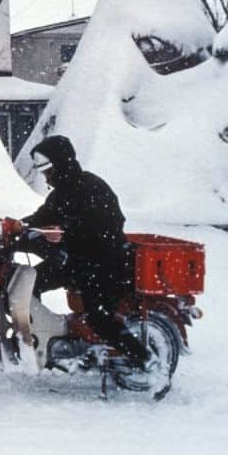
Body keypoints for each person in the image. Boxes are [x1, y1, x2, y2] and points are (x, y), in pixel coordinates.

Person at [10, 135, 150, 368]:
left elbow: (111, 223)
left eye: (49, 171)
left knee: (99, 319)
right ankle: (45, 338)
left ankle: (146, 361)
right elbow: (42, 218)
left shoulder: (92, 187)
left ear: (62, 164)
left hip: (105, 264)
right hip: (76, 262)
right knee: (29, 284)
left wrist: (66, 229)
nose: (46, 176)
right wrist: (17, 228)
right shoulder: (61, 193)